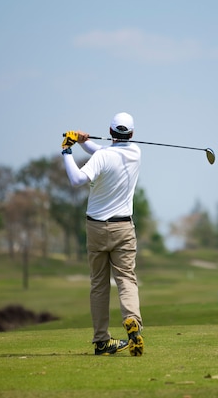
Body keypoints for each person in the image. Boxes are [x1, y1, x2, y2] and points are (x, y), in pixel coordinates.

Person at [61, 112, 144, 357]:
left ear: (110, 132)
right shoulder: (136, 153)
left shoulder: (102, 156)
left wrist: (68, 150)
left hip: (96, 228)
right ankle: (132, 322)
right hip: (123, 228)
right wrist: (84, 141)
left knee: (99, 285)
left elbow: (77, 179)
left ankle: (101, 341)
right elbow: (105, 153)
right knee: (126, 279)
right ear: (131, 134)